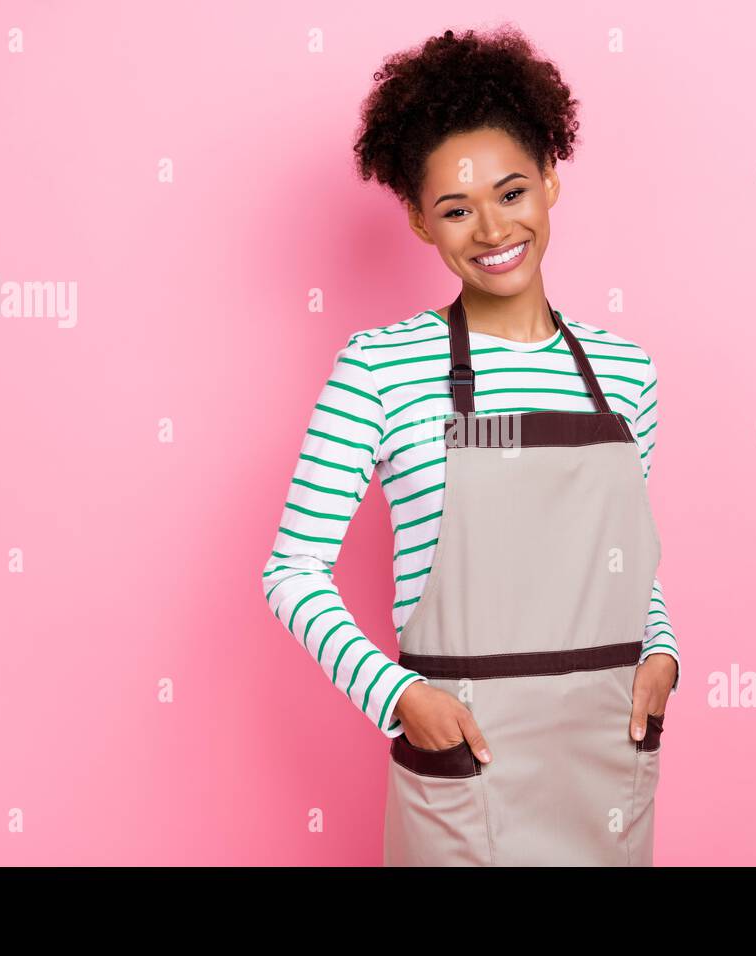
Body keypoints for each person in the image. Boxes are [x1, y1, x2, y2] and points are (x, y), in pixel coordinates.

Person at [262, 25, 678, 866]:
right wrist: (400, 695)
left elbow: (629, 566)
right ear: (420, 220)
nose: (492, 228)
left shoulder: (627, 374)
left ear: (551, 181)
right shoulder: (378, 367)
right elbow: (291, 572)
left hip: (604, 759)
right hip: (465, 756)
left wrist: (662, 652)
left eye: (512, 192)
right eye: (456, 208)